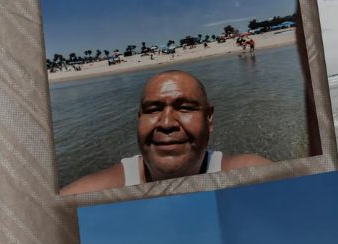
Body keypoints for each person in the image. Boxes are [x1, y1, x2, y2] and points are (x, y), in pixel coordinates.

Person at [60, 70, 271, 194]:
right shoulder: (91, 193)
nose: (167, 123)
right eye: (152, 110)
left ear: (209, 119)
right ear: (139, 118)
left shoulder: (253, 176)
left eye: (185, 108)